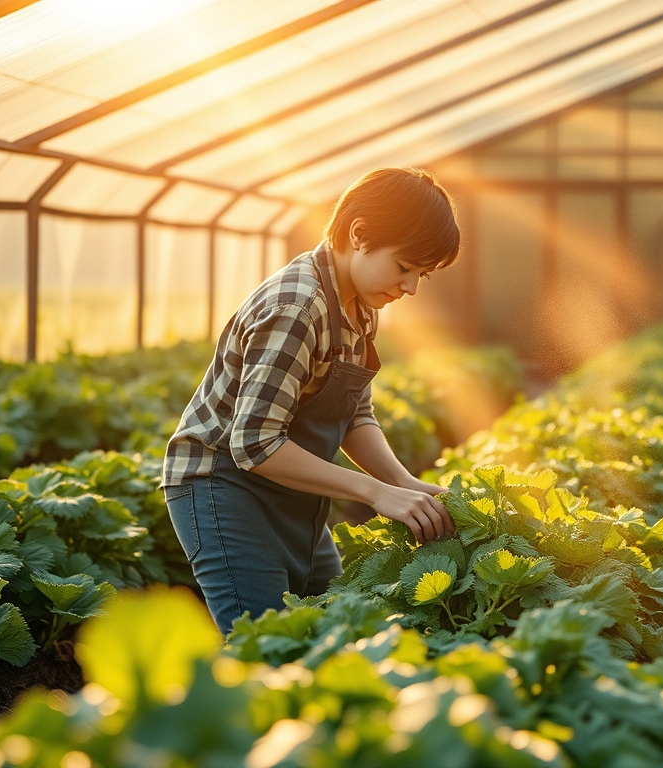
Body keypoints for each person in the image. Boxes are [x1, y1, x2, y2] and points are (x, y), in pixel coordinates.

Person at [161, 168, 459, 633]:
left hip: (291, 490)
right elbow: (255, 444)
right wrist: (376, 493)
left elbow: (356, 414)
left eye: (421, 275)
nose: (411, 288)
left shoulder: (360, 304)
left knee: (336, 625)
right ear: (359, 234)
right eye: (404, 267)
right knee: (266, 645)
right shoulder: (298, 308)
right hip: (223, 487)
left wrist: (404, 482)